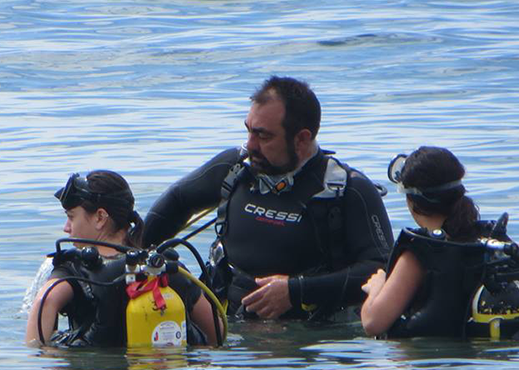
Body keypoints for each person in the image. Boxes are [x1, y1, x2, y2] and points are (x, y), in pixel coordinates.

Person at [143, 76, 394, 321]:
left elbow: (381, 269)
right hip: (226, 328)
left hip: (308, 339)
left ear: (301, 139)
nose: (250, 145)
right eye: (249, 131)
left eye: (263, 136)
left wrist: (296, 291)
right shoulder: (236, 169)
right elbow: (177, 200)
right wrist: (138, 258)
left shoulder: (347, 190)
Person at [25, 170, 221, 347]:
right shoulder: (165, 268)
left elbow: (46, 300)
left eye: (71, 217)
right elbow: (217, 336)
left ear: (100, 217)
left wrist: (42, 356)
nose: (66, 228)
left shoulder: (76, 271)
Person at [361, 146, 519, 339]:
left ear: (411, 202)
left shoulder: (418, 256)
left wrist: (377, 286)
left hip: (442, 359)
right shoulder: (499, 246)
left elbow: (373, 323)